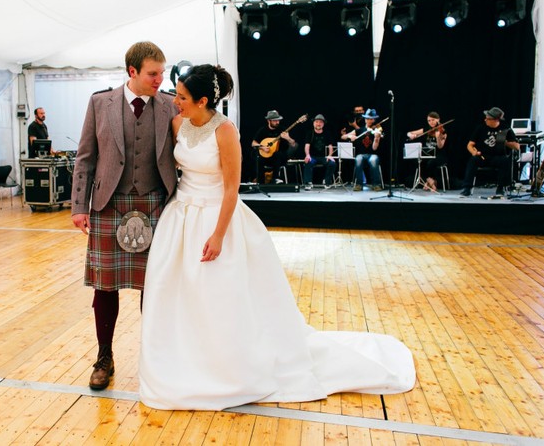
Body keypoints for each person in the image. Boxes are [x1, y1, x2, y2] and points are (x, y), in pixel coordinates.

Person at [139, 64, 415, 410]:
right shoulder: (178, 124)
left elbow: (231, 189)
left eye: (181, 97)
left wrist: (218, 235)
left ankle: (226, 366)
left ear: (203, 100)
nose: (174, 101)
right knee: (181, 293)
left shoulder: (225, 131)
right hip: (180, 217)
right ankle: (185, 360)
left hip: (215, 216)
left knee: (219, 295)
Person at [70, 41, 178, 391]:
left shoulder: (171, 105)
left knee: (154, 286)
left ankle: (154, 358)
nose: (160, 79)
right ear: (132, 71)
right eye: (153, 73)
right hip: (108, 203)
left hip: (157, 203)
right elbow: (85, 157)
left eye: (162, 72)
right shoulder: (100, 103)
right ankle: (104, 357)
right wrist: (78, 206)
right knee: (105, 286)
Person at [459, 107, 520, 198]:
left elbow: (517, 147)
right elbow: (470, 145)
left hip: (498, 157)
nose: (485, 120)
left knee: (505, 161)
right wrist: (473, 152)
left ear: (496, 120)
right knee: (472, 160)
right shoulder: (481, 128)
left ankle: (501, 188)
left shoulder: (505, 129)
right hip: (483, 156)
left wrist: (505, 142)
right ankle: (467, 188)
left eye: (488, 118)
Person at [251, 110, 299, 183]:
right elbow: (253, 143)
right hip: (267, 157)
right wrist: (262, 147)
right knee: (257, 155)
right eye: (275, 120)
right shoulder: (263, 130)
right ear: (268, 121)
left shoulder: (283, 130)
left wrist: (288, 138)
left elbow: (294, 145)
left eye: (278, 120)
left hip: (280, 157)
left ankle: (275, 178)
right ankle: (260, 181)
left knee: (277, 154)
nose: (277, 122)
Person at [406, 111, 448, 192]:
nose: (431, 122)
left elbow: (440, 146)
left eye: (433, 120)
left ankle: (429, 183)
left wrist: (438, 138)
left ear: (438, 119)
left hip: (440, 155)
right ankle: (431, 182)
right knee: (418, 161)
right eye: (429, 120)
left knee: (431, 162)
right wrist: (411, 135)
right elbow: (409, 133)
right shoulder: (427, 129)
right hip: (428, 155)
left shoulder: (443, 131)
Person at [345, 108, 383, 191]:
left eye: (371, 119)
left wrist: (376, 138)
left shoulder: (377, 131)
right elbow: (343, 136)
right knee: (358, 159)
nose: (369, 120)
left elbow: (374, 148)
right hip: (361, 154)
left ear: (374, 120)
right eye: (367, 118)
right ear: (365, 119)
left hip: (372, 154)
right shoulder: (359, 130)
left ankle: (376, 184)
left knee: (373, 160)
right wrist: (350, 136)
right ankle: (359, 184)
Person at [302, 114, 336, 190]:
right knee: (308, 162)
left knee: (332, 163)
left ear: (323, 124)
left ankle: (326, 181)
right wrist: (307, 155)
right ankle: (308, 183)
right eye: (316, 122)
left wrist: (330, 155)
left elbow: (330, 146)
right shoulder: (310, 133)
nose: (318, 124)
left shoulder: (327, 133)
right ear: (313, 123)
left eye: (320, 122)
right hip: (313, 157)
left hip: (324, 157)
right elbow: (307, 145)